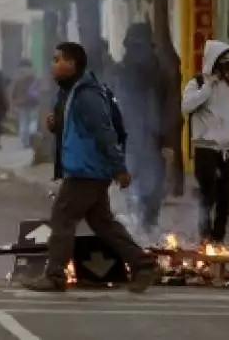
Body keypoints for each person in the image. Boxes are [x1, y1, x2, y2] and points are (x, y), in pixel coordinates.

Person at [23, 41, 157, 293]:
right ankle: (143, 264)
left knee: (62, 217)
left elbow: (103, 132)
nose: (52, 65)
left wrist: (119, 167)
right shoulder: (71, 91)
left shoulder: (88, 95)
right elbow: (78, 127)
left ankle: (54, 276)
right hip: (86, 169)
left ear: (71, 64)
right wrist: (56, 124)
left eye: (57, 59)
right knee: (102, 222)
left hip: (87, 171)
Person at [181, 39, 229, 244]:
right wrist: (208, 86)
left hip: (227, 149)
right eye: (222, 61)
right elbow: (186, 106)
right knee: (209, 194)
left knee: (226, 196)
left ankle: (218, 238)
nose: (225, 66)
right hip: (205, 148)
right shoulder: (197, 83)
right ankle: (204, 236)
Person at [111, 23, 171, 234]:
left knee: (153, 187)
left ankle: (149, 226)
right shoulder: (120, 72)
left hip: (154, 138)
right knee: (131, 185)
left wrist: (169, 140)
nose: (137, 52)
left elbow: (170, 106)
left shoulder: (160, 74)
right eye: (134, 47)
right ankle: (136, 228)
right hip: (128, 139)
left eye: (141, 47)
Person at [9, 59, 41, 149]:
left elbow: (13, 91)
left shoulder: (17, 78)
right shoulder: (35, 77)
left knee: (23, 123)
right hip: (33, 103)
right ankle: (32, 138)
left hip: (21, 103)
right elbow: (39, 90)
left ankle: (25, 142)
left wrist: (13, 102)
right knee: (32, 122)